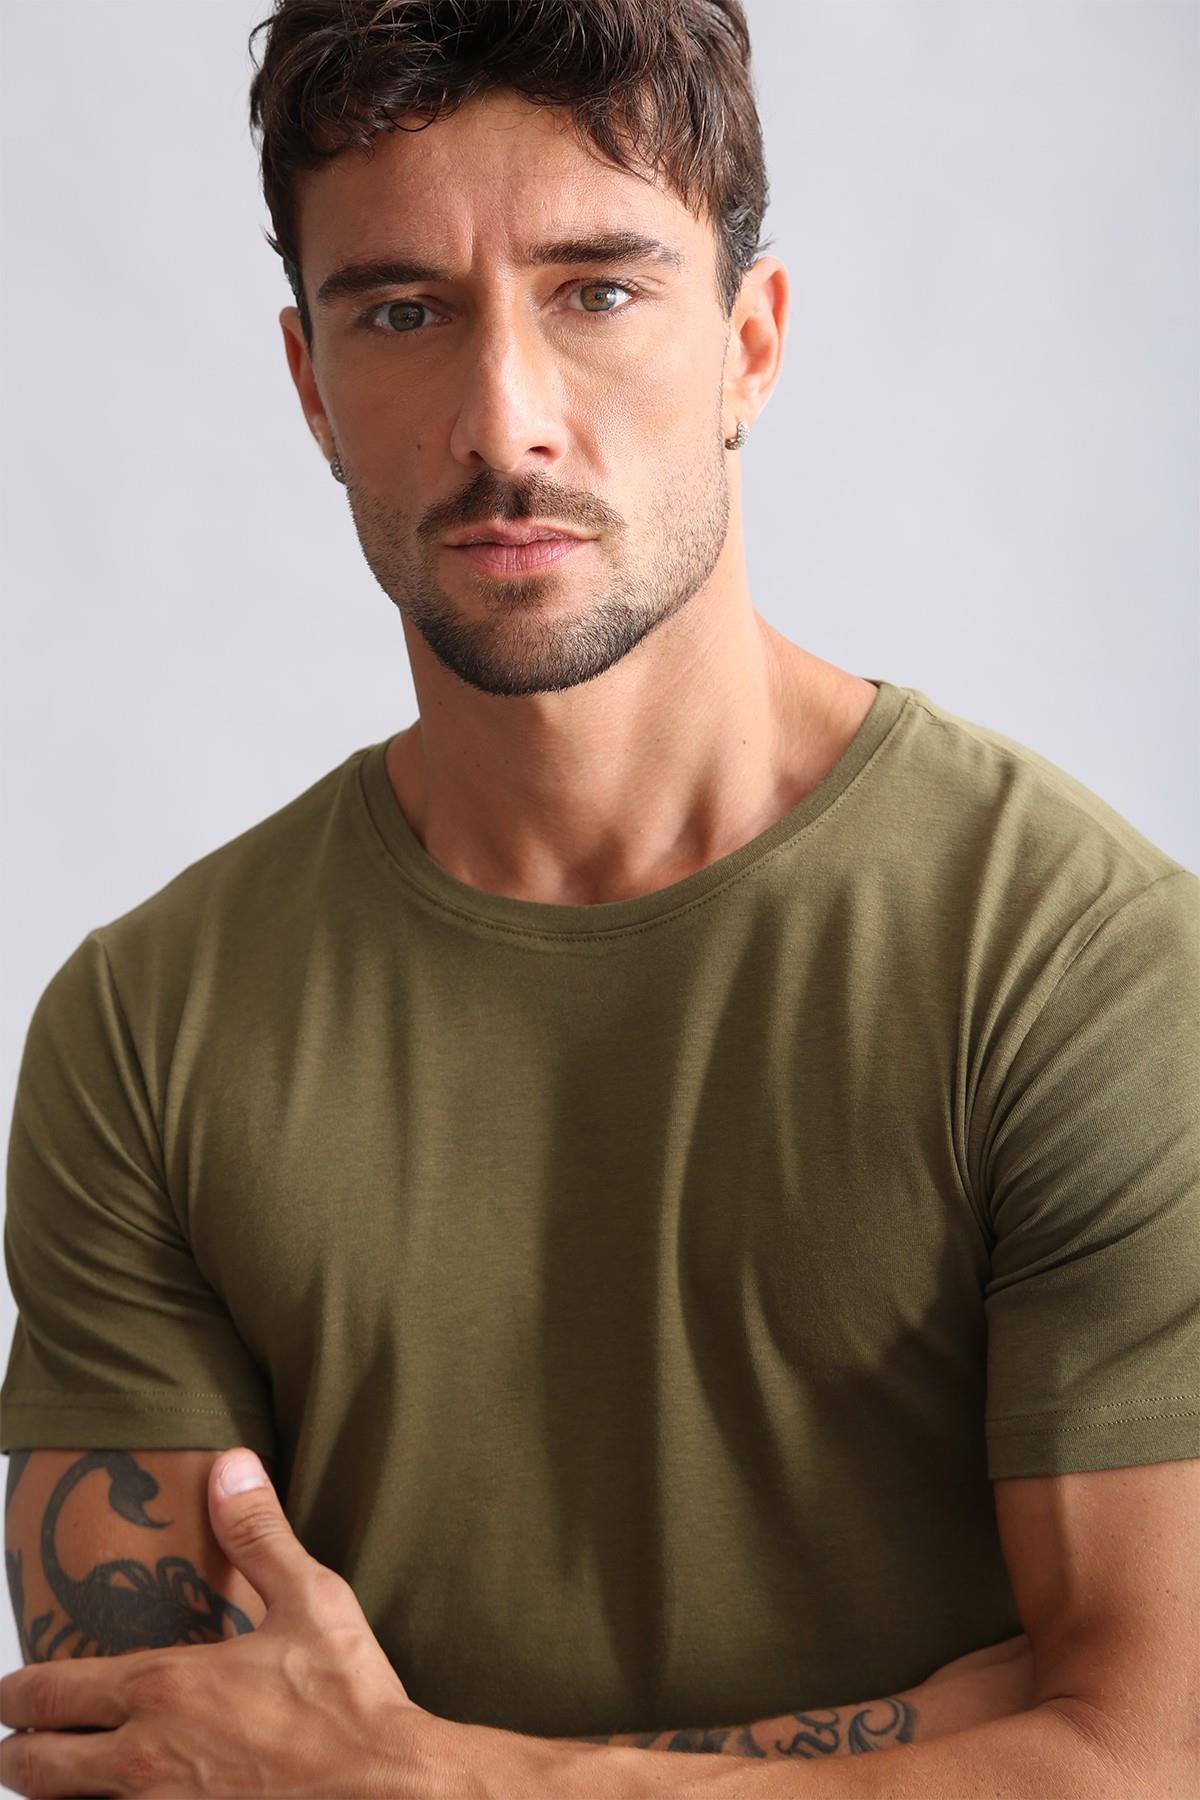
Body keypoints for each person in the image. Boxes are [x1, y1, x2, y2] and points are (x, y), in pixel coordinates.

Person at [2, 1, 1196, 1793]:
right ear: (311, 386)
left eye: (600, 292)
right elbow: (155, 1759)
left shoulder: (1077, 966)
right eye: (403, 312)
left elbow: (1150, 1751)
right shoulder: (144, 1030)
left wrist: (428, 1777)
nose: (508, 422)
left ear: (749, 345)